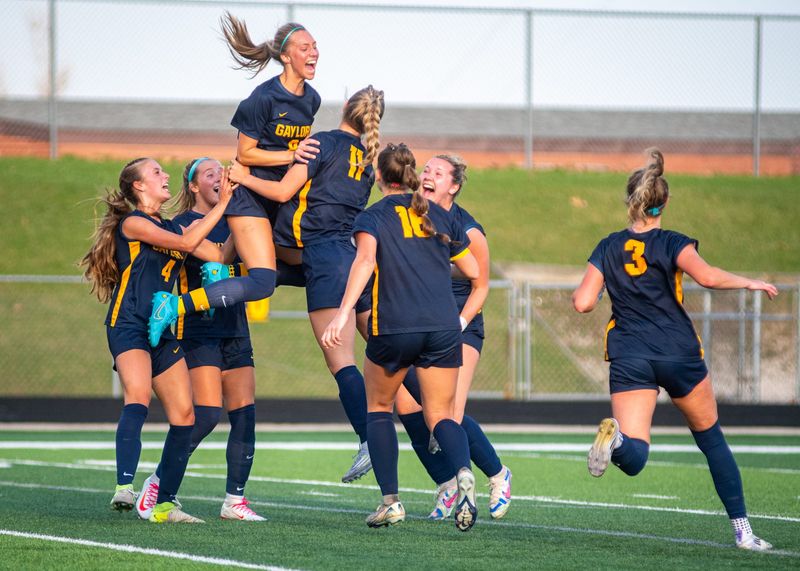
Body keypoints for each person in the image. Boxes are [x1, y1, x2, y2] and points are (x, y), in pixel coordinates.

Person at [572, 148, 777, 551]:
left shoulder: (608, 246)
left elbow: (582, 302)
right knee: (711, 439)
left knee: (636, 455)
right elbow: (709, 277)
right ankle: (743, 532)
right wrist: (750, 283)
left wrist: (607, 289)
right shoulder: (671, 242)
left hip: (630, 354)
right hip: (677, 351)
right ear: (662, 204)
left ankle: (615, 444)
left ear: (630, 202)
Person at [228, 85, 385, 483]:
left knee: (342, 362)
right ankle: (438, 424)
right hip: (351, 259)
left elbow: (283, 191)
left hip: (326, 258)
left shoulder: (323, 143)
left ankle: (370, 439)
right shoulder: (367, 158)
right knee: (385, 350)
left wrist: (243, 174)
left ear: (346, 108)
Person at [321, 143, 481, 531]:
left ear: (378, 177)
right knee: (441, 414)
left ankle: (391, 501)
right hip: (443, 326)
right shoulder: (439, 216)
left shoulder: (372, 216)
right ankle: (463, 473)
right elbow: (472, 269)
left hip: (394, 325)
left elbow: (364, 262)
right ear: (411, 176)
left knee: (378, 409)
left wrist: (342, 313)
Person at [148, 16, 319, 360]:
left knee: (313, 267)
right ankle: (174, 305)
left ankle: (226, 271)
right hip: (251, 199)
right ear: (286, 56)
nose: (313, 52)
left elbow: (295, 161)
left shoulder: (311, 99)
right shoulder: (262, 98)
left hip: (281, 200)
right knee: (262, 283)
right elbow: (245, 154)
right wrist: (292, 153)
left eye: (315, 46)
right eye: (305, 47)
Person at [80, 157, 236, 523]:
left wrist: (243, 217)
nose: (165, 176)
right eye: (156, 173)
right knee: (138, 396)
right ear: (138, 186)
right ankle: (124, 486)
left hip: (162, 331)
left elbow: (213, 254)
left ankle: (163, 503)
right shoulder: (134, 223)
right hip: (129, 325)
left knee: (186, 415)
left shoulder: (168, 224)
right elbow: (185, 243)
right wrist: (225, 205)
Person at [137, 158, 264, 522]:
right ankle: (160, 483)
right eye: (209, 174)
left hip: (235, 327)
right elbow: (210, 255)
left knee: (244, 415)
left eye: (220, 173)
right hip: (199, 329)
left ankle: (234, 501)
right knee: (206, 414)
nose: (218, 178)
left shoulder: (238, 219)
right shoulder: (181, 225)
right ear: (193, 186)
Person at [394, 154, 512, 521]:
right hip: (416, 324)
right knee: (409, 408)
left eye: (438, 173)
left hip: (461, 325)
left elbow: (481, 286)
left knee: (448, 414)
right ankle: (446, 485)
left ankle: (497, 475)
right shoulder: (409, 216)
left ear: (454, 186)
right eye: (426, 170)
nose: (428, 176)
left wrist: (458, 323)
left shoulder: (469, 230)